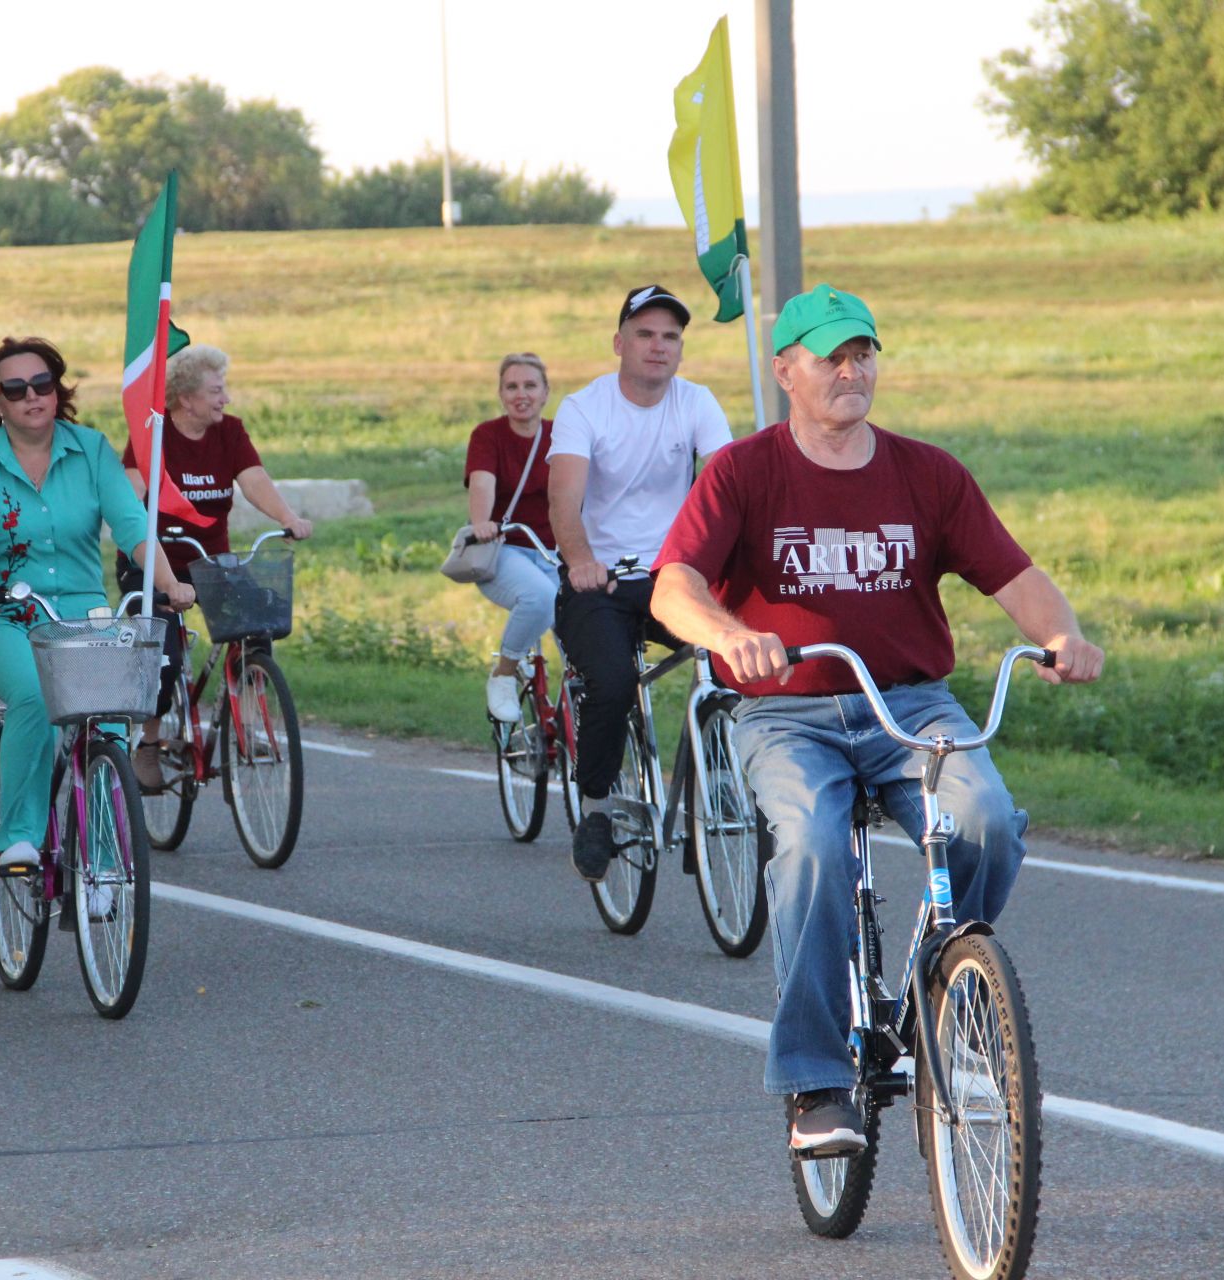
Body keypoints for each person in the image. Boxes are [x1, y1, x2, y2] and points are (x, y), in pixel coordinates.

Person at [649, 283, 1105, 1153]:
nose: (852, 370)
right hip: (789, 713)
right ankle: (816, 1081)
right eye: (832, 356)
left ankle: (946, 990)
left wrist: (1063, 634)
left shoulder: (927, 473)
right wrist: (731, 635)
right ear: (787, 371)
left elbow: (1015, 577)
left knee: (986, 821)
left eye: (864, 354)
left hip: (910, 701)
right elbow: (676, 587)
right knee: (813, 848)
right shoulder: (743, 472)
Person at [0, 337, 194, 874]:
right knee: (35, 694)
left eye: (42, 384)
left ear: (58, 391)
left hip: (82, 619)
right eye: (16, 388)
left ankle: (104, 862)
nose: (32, 396)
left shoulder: (92, 448)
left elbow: (132, 525)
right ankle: (20, 836)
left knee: (110, 724)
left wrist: (170, 583)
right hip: (1, 616)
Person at [548, 285, 733, 881]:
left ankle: (728, 780)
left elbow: (729, 488)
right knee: (613, 680)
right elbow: (563, 502)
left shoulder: (696, 402)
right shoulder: (585, 408)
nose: (659, 347)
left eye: (671, 337)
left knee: (735, 656)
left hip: (672, 576)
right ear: (619, 342)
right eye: (646, 334)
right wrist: (580, 560)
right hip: (601, 579)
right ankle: (596, 807)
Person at [116, 343, 310, 790]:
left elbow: (253, 479)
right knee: (161, 660)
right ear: (186, 399)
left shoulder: (230, 432)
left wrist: (287, 518)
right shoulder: (153, 435)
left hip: (209, 562)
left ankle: (247, 716)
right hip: (154, 563)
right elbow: (130, 497)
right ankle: (148, 743)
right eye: (217, 390)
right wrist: (138, 531)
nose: (226, 399)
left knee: (259, 618)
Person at [465, 353, 557, 723]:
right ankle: (503, 674)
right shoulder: (488, 436)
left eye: (530, 385)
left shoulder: (561, 434)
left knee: (585, 638)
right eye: (512, 386)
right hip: (504, 549)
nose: (522, 394)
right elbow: (481, 482)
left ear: (546, 392)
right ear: (501, 394)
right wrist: (482, 521)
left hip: (557, 552)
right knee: (541, 597)